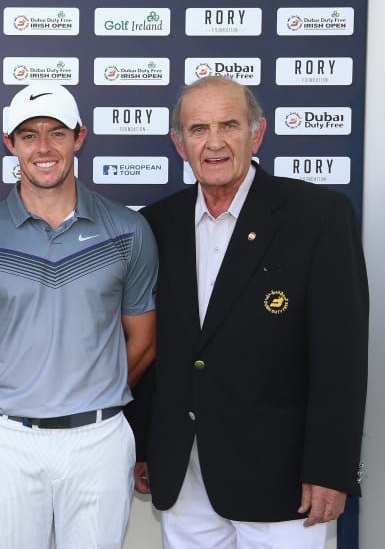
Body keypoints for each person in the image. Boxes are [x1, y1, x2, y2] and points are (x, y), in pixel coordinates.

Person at [131, 75, 368, 548]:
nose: (214, 143)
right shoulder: (157, 224)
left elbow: (340, 359)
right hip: (185, 477)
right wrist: (144, 447)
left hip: (283, 484)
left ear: (256, 134)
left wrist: (331, 469)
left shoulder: (318, 217)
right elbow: (157, 348)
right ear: (180, 144)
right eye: (198, 129)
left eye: (229, 126)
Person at [0, 83, 158, 549]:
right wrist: (22, 398)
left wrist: (93, 393)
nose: (43, 148)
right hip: (9, 441)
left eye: (57, 132)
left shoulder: (127, 231)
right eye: (28, 135)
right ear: (10, 144)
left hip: (100, 440)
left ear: (79, 137)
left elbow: (142, 342)